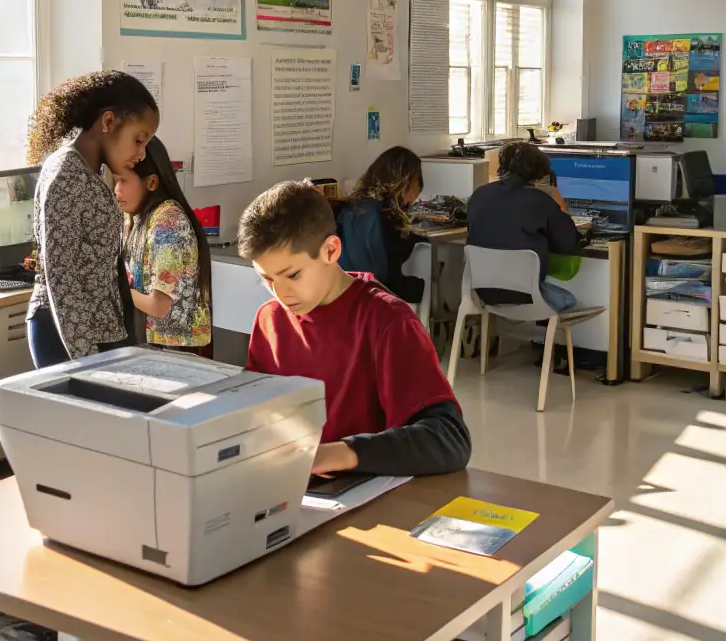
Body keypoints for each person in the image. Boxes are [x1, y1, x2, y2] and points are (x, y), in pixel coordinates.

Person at [238, 181, 471, 477]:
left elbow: (449, 440)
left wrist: (340, 453)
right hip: (293, 487)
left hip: (364, 492)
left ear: (331, 250)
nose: (280, 294)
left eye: (292, 275)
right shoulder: (269, 318)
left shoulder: (388, 321)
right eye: (266, 279)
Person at [25, 70, 160, 367]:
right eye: (139, 140)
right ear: (108, 122)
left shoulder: (89, 172)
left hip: (96, 328)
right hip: (70, 335)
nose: (142, 153)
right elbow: (63, 279)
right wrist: (85, 361)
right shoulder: (67, 174)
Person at [113, 137, 213, 356]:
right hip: (152, 346)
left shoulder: (168, 221)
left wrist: (112, 289)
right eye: (115, 181)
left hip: (173, 351)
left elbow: (159, 306)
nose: (116, 190)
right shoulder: (138, 218)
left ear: (151, 183)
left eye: (123, 181)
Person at [467, 141, 583, 313]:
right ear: (539, 172)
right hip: (526, 296)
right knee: (570, 301)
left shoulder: (479, 194)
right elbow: (569, 243)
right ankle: (547, 338)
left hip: (483, 293)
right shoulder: (542, 202)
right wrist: (559, 205)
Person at [334, 146, 426, 303]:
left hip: (344, 287)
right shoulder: (385, 215)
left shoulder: (351, 205)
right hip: (377, 290)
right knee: (428, 279)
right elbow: (389, 269)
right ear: (406, 184)